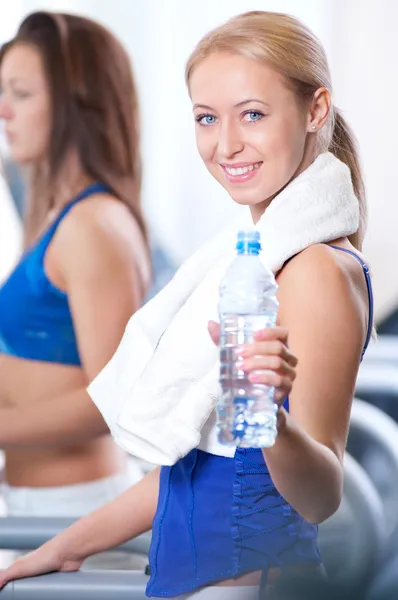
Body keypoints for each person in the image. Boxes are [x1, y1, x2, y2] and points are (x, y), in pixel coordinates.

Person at [0, 10, 372, 599]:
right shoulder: (245, 260)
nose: (226, 144)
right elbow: (192, 465)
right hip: (193, 582)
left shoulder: (317, 270)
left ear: (315, 110)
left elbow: (322, 494)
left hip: (254, 585)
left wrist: (271, 423)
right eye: (206, 118)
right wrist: (66, 546)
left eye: (252, 114)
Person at [0, 11, 150, 518]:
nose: (3, 111)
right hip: (36, 505)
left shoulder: (93, 225)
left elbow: (113, 399)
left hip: (77, 507)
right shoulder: (57, 217)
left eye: (21, 94)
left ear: (75, 104)